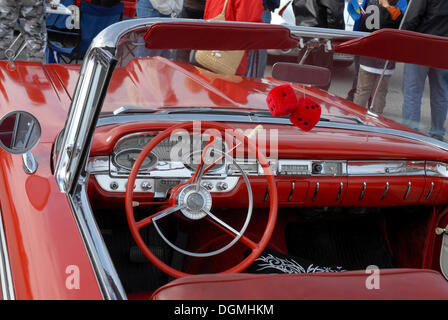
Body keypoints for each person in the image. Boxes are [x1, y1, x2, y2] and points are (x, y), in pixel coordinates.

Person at [401, 0, 448, 141]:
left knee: (412, 91)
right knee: (441, 92)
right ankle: (438, 131)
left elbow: (412, 16)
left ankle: (411, 132)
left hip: (421, 43)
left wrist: (402, 36)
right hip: (444, 47)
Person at [353, 0, 403, 114]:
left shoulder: (371, 9)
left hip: (368, 57)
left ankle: (355, 117)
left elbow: (361, 31)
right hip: (387, 60)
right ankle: (377, 119)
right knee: (380, 93)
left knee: (362, 90)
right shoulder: (399, 14)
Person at [292, 0, 345, 90]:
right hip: (323, 37)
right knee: (320, 81)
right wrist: (336, 36)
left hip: (304, 34)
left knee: (302, 79)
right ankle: (317, 102)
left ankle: (301, 101)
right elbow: (335, 12)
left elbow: (295, 5)